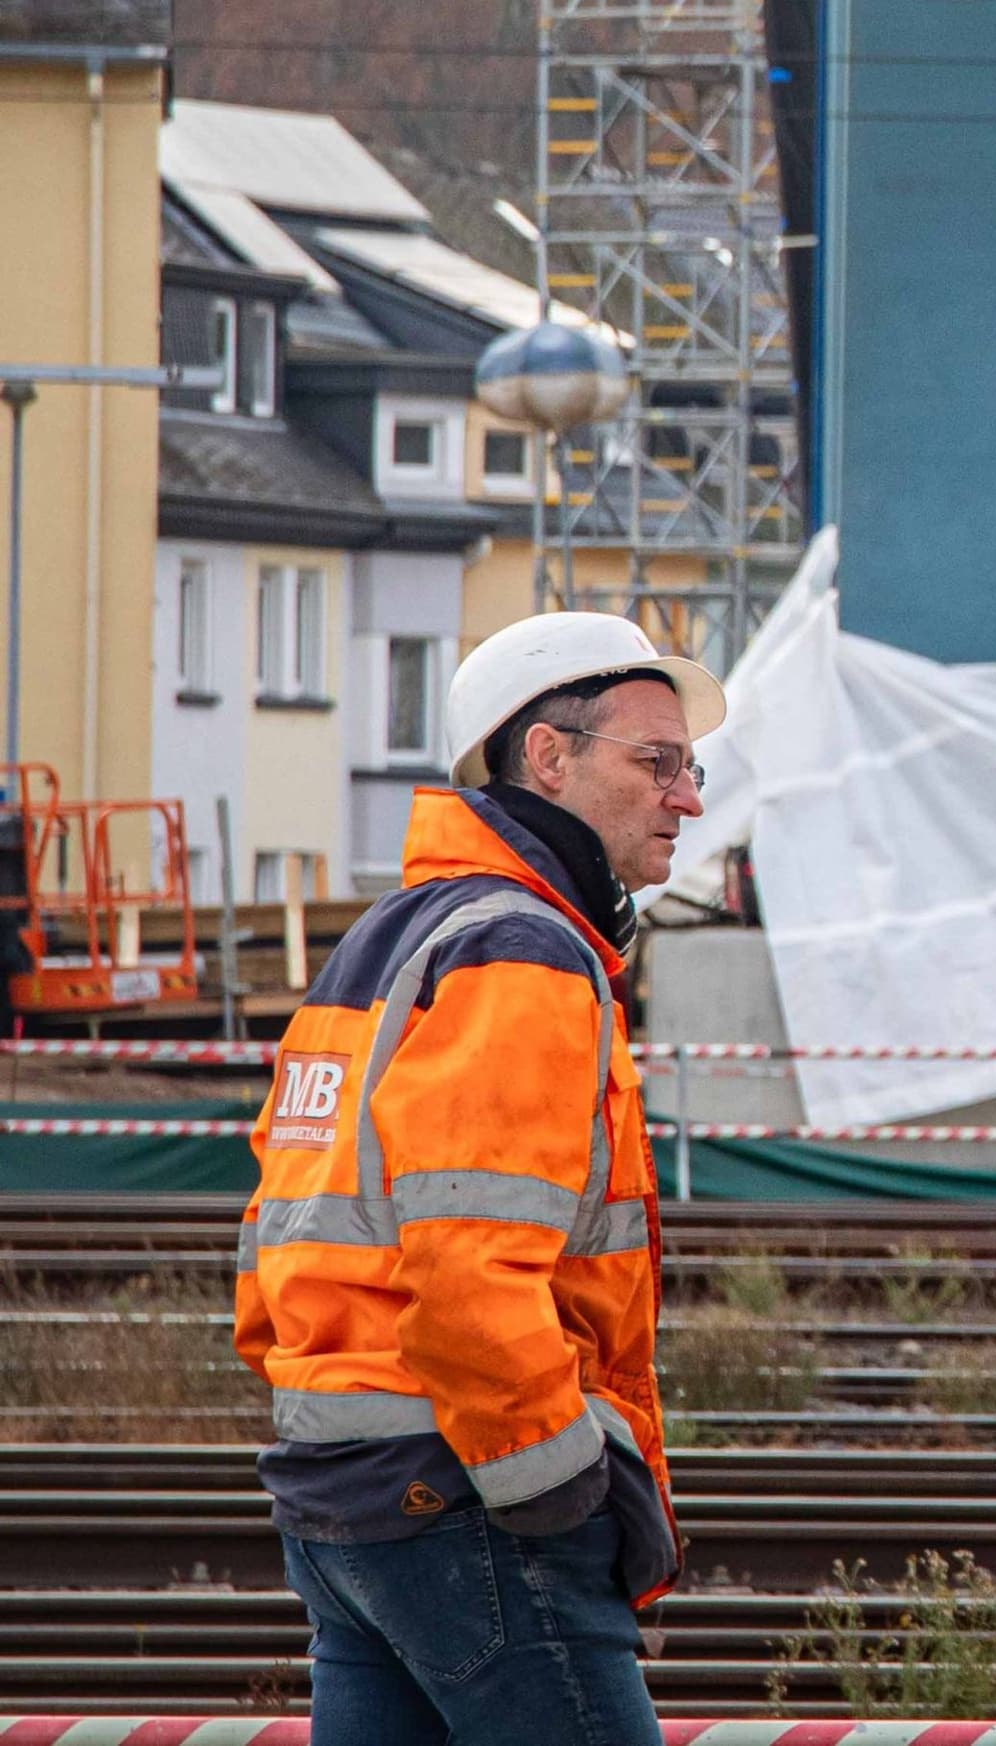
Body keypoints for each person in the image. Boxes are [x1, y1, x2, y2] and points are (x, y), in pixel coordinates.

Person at [236, 611, 721, 1743]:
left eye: (690, 767)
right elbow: (466, 1261)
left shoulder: (390, 940)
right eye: (658, 763)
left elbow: (274, 1240)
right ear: (547, 756)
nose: (686, 798)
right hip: (467, 1493)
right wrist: (551, 1485)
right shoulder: (521, 954)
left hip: (341, 1492)